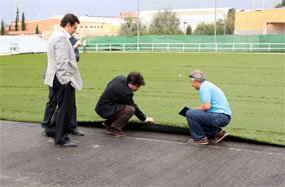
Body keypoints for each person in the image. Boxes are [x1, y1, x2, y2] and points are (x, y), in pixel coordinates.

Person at [42, 13, 82, 147]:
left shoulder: (55, 35)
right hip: (61, 79)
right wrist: (65, 80)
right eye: (74, 28)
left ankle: (53, 130)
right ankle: (61, 139)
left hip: (54, 77)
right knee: (66, 109)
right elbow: (62, 62)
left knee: (62, 108)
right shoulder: (61, 38)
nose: (75, 31)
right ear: (68, 24)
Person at [95, 72, 155, 136]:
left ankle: (109, 123)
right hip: (103, 111)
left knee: (123, 106)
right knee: (130, 109)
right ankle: (114, 129)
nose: (139, 88)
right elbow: (134, 107)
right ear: (131, 84)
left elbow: (109, 85)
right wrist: (145, 119)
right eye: (137, 86)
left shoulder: (119, 78)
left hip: (101, 106)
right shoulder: (126, 93)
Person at [186, 70, 231, 145]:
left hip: (220, 117)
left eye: (191, 82)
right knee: (195, 116)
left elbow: (206, 106)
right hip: (224, 117)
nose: (191, 85)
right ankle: (218, 133)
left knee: (190, 113)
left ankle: (200, 138)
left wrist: (194, 110)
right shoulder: (208, 85)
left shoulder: (204, 87)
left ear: (195, 81)